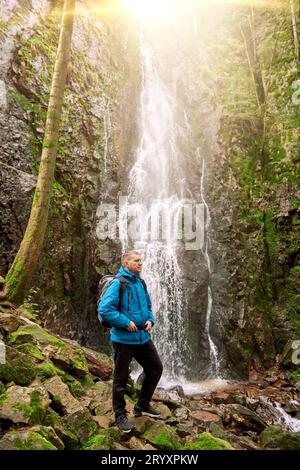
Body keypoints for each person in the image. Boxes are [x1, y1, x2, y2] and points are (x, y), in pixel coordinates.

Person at [98, 250, 163, 433]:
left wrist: (151, 320)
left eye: (140, 260)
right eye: (136, 261)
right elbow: (105, 309)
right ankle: (120, 416)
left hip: (142, 337)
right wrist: (126, 322)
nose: (140, 263)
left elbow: (148, 307)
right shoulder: (118, 283)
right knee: (120, 379)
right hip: (123, 339)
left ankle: (142, 405)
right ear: (125, 263)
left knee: (156, 368)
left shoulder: (140, 283)